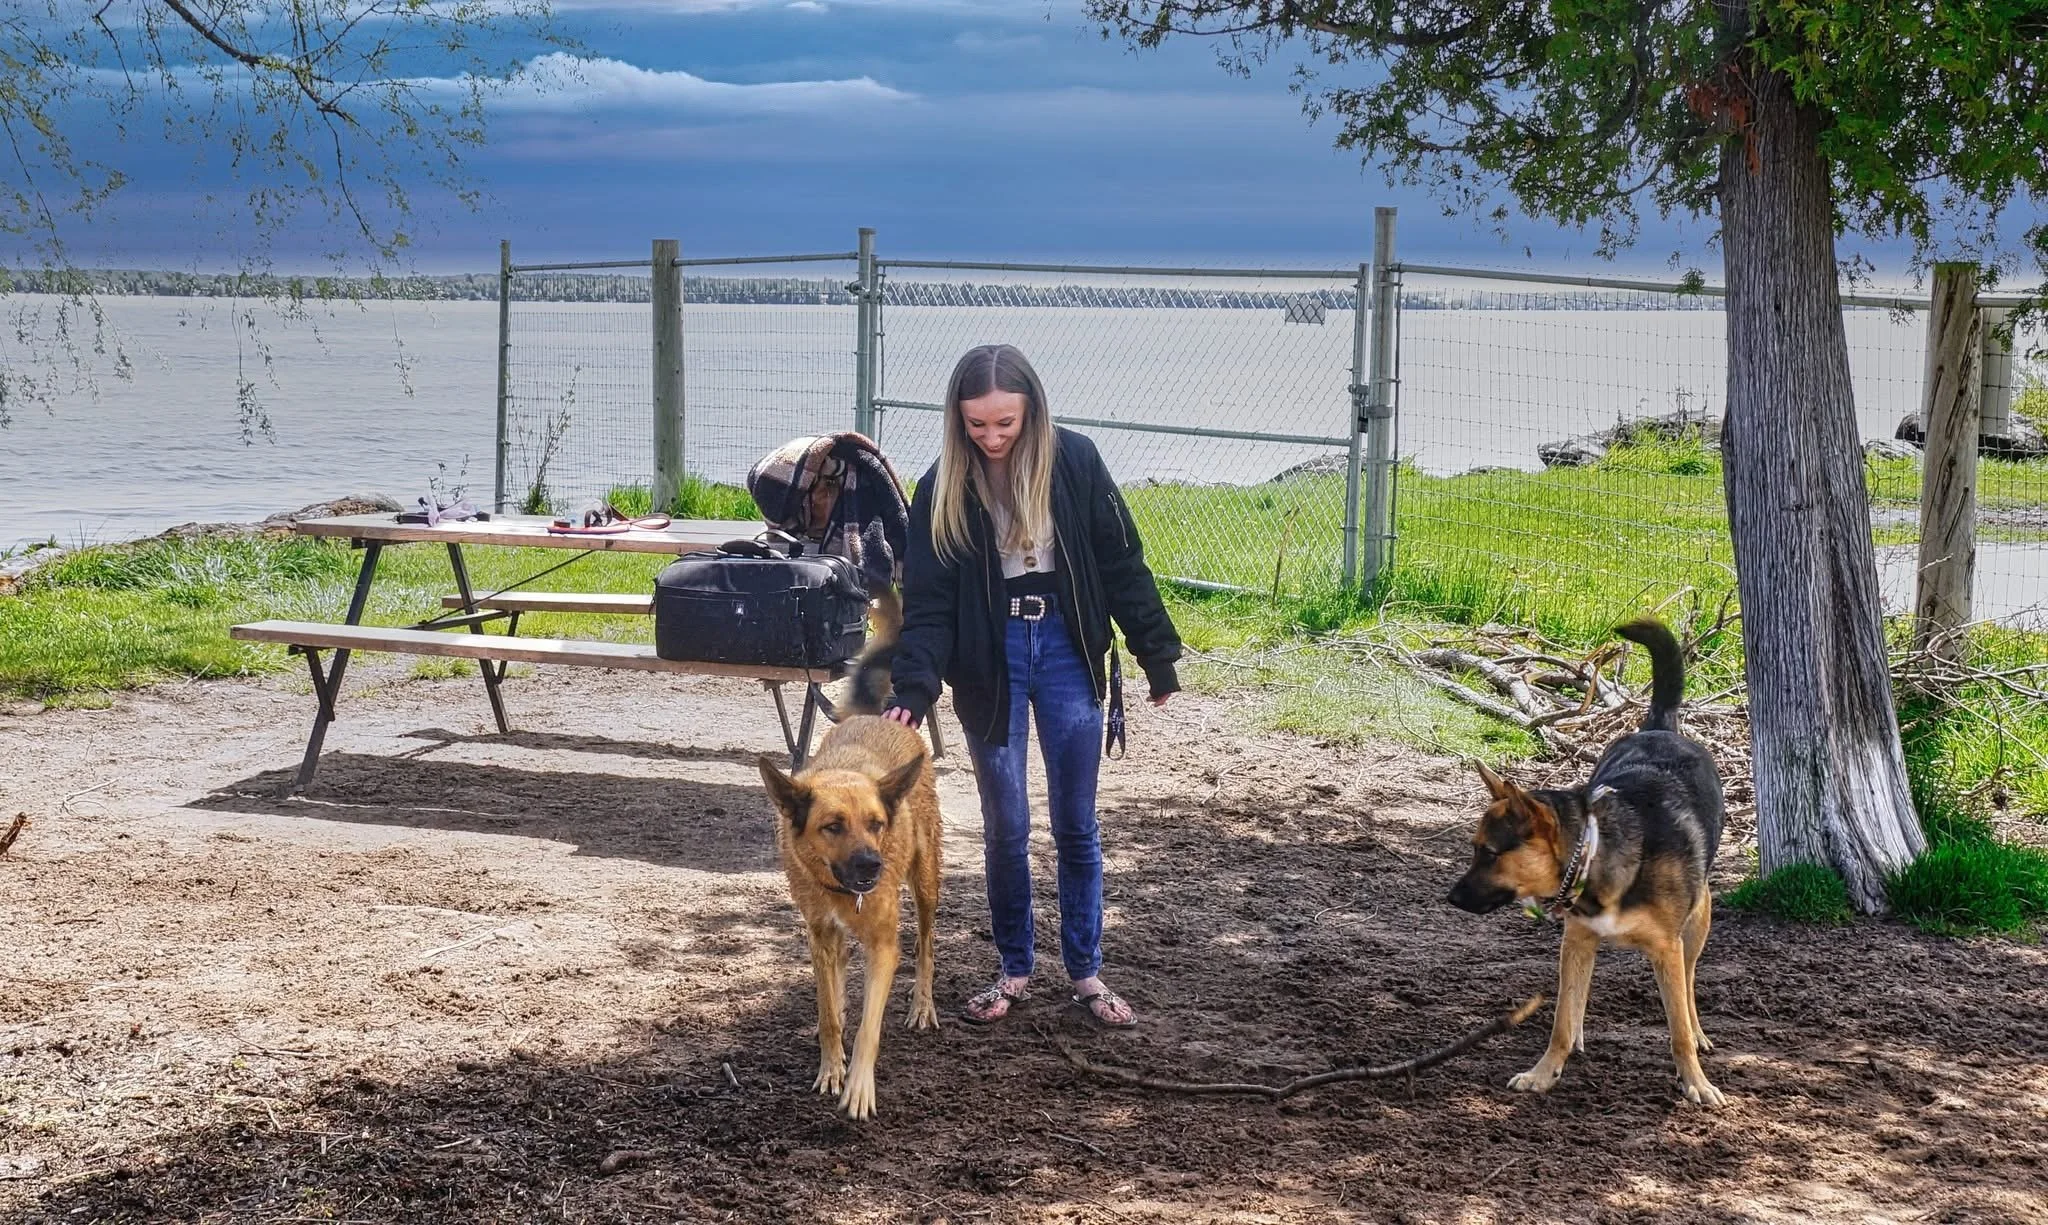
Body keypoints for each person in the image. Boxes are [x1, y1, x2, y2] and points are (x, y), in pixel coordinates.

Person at [882, 343, 1183, 1029]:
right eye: (976, 426)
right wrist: (914, 689)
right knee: (1006, 824)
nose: (991, 439)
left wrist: (1155, 657)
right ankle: (1014, 967)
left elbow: (1123, 564)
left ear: (1033, 411)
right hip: (989, 660)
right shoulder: (941, 487)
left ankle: (1085, 971)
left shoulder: (1076, 461)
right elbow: (927, 603)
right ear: (957, 422)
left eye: (1005, 424)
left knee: (1076, 823)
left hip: (1065, 648)